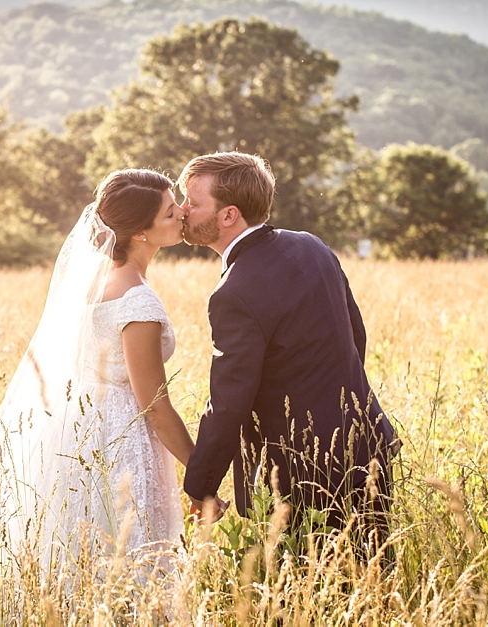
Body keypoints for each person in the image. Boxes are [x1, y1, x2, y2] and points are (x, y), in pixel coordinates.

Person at [0, 169, 213, 610]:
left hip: (77, 434)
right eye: (172, 212)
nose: (183, 216)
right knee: (130, 559)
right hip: (123, 442)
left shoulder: (95, 286)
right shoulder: (139, 302)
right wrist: (201, 476)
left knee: (81, 552)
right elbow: (153, 405)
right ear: (139, 232)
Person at [179, 152, 399, 551]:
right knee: (372, 590)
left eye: (193, 203)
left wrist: (200, 487)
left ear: (229, 215)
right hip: (367, 446)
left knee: (303, 598)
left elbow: (228, 403)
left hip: (303, 477)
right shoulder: (312, 246)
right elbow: (356, 335)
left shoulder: (233, 293)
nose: (183, 210)